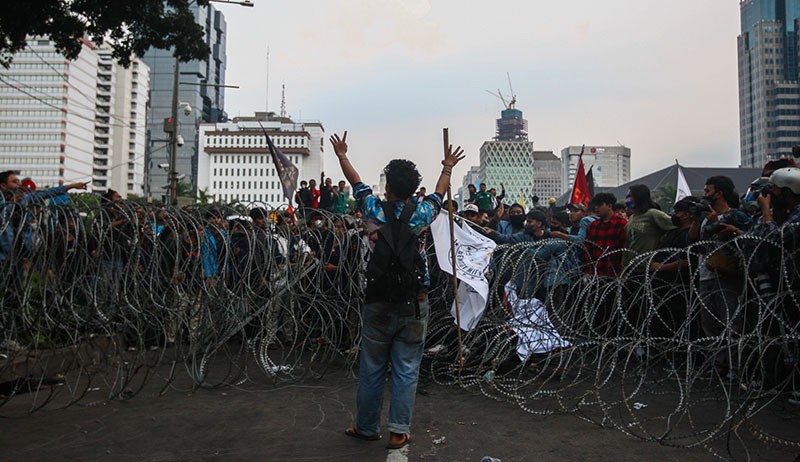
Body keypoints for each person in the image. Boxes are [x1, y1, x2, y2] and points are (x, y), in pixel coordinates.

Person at [330, 130, 464, 449]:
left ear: (388, 188)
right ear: (411, 189)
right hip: (414, 302)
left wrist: (342, 155)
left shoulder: (373, 209)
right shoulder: (421, 214)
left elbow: (356, 182)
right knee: (406, 369)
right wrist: (446, 166)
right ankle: (398, 431)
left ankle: (365, 426)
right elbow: (438, 192)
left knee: (372, 367)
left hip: (376, 299)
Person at [693, 175, 751, 380]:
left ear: (719, 192)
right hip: (706, 275)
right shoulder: (704, 218)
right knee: (710, 324)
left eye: (708, 190)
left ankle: (734, 368)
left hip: (727, 276)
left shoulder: (735, 215)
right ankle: (717, 366)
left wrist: (718, 223)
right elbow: (695, 242)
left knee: (730, 322)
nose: (705, 194)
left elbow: (751, 237)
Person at [622, 184, 677, 269]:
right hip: (633, 266)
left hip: (648, 266)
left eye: (630, 196)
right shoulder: (632, 217)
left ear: (639, 197)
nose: (627, 199)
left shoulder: (653, 214)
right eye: (627, 196)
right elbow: (628, 243)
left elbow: (676, 225)